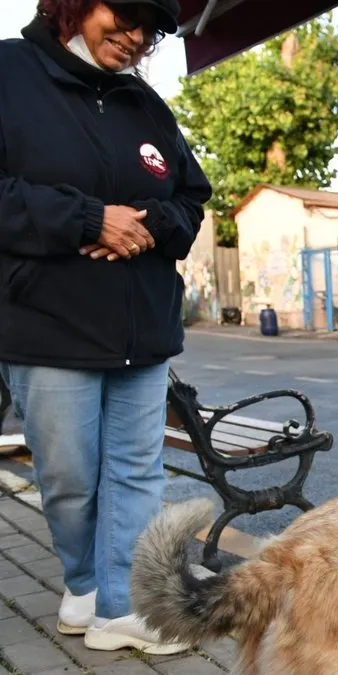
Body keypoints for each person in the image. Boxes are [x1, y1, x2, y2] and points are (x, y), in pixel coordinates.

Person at [0, 0, 210, 654]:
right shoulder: (9, 73)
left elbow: (190, 198)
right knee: (68, 476)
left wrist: (146, 224)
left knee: (136, 471)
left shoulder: (145, 103)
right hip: (47, 324)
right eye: (122, 14)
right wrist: (89, 220)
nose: (135, 37)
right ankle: (87, 581)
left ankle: (126, 605)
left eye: (149, 28)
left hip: (142, 326)